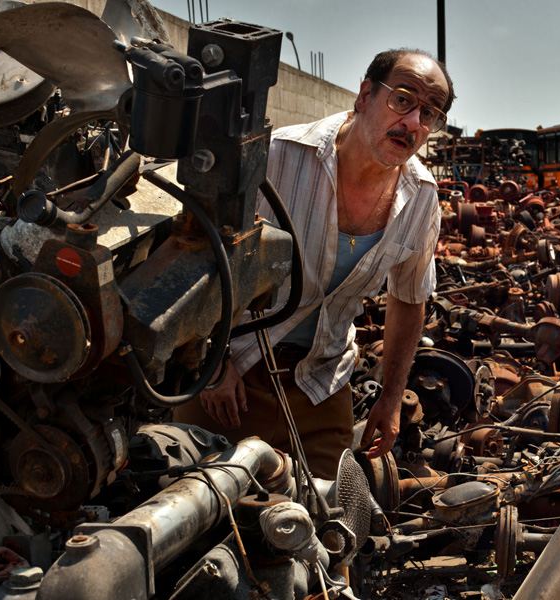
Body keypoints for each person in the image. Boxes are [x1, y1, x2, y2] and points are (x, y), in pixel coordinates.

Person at [175, 49, 454, 479]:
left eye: (430, 112)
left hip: (323, 384)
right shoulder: (278, 156)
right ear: (364, 95)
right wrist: (212, 362)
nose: (414, 122)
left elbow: (409, 298)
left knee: (325, 527)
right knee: (199, 510)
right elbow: (199, 253)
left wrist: (392, 398)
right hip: (234, 375)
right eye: (403, 99)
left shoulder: (421, 197)